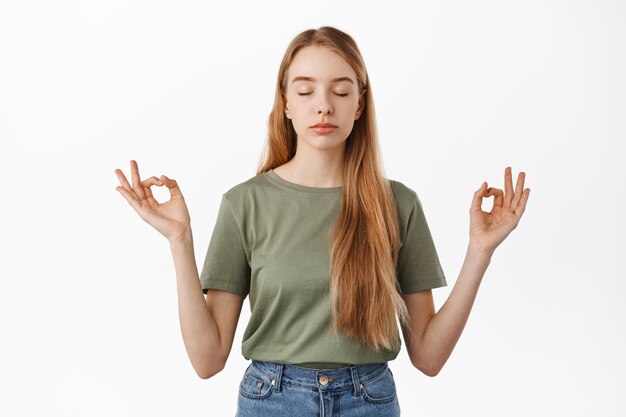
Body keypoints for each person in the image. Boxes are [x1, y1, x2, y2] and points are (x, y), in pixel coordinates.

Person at [114, 25, 530, 417]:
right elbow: (207, 361)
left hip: (369, 400)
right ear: (286, 103)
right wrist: (179, 239)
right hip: (270, 400)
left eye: (341, 91)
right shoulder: (245, 204)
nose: (324, 105)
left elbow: (429, 357)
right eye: (306, 89)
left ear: (360, 103)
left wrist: (480, 251)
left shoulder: (397, 204)